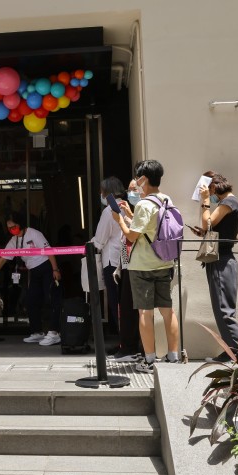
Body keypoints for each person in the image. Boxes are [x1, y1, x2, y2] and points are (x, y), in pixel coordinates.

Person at [111, 160, 180, 373]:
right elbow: (150, 228)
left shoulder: (143, 204)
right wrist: (130, 216)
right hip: (164, 262)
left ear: (144, 179)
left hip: (142, 266)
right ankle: (173, 356)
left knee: (145, 313)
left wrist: (119, 220)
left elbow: (132, 235)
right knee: (168, 311)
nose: (136, 182)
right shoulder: (166, 199)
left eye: (138, 177)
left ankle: (149, 360)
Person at [0, 214, 63, 345]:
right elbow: (3, 258)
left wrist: (55, 269)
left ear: (20, 224)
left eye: (13, 226)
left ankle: (55, 332)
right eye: (9, 228)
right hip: (34, 272)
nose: (11, 230)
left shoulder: (34, 233)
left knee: (51, 299)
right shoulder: (14, 240)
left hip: (46, 268)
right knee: (31, 301)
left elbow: (48, 251)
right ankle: (37, 332)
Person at [191, 172, 238, 358]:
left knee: (224, 309)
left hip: (222, 261)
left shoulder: (228, 203)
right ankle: (231, 351)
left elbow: (207, 223)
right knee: (222, 308)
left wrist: (205, 201)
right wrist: (205, 232)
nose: (208, 194)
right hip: (221, 260)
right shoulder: (230, 203)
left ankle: (237, 352)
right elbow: (214, 228)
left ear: (213, 187)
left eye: (208, 190)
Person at [111, 179, 142, 362]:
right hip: (128, 263)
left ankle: (132, 348)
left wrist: (122, 219)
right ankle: (129, 347)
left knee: (132, 308)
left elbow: (132, 235)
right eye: (129, 190)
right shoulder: (138, 209)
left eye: (133, 190)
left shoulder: (146, 207)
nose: (130, 194)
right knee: (128, 306)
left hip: (136, 264)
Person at [91, 176, 125, 335]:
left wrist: (92, 243)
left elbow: (100, 239)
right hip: (125, 259)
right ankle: (128, 339)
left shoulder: (108, 211)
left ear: (107, 192)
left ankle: (123, 339)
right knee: (125, 300)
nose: (101, 194)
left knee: (115, 300)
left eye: (102, 191)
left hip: (111, 261)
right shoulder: (126, 206)